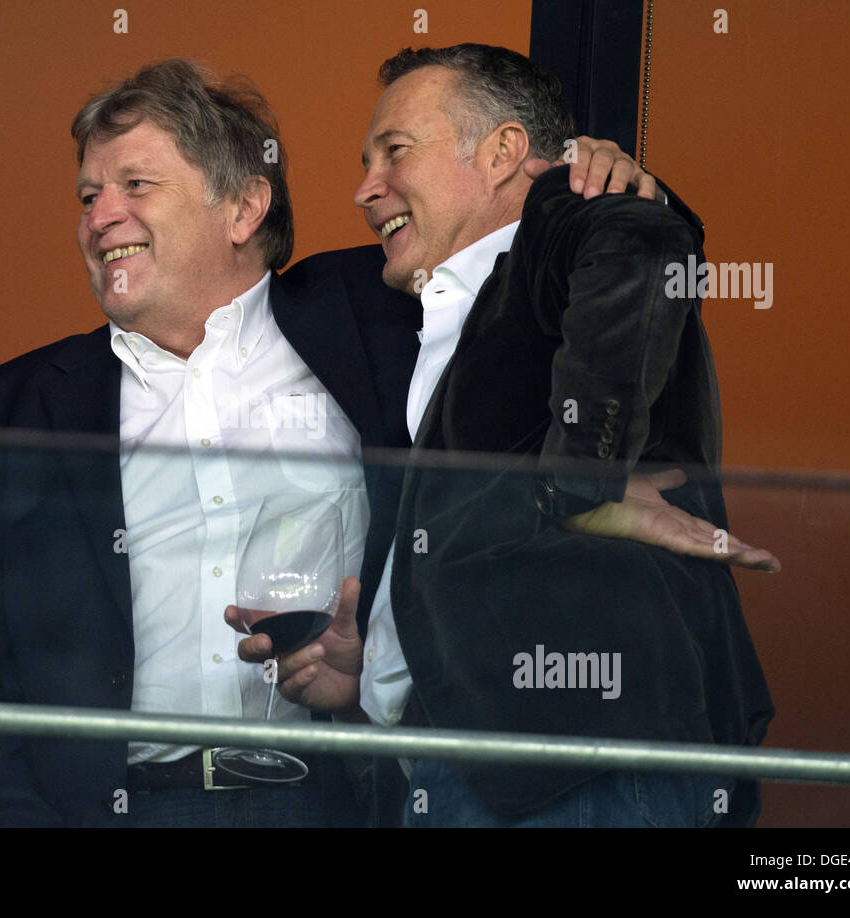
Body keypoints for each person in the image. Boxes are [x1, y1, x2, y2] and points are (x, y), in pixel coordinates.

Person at [0, 57, 695, 827]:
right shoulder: (7, 411)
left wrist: (587, 177)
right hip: (104, 810)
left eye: (135, 185)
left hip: (340, 801)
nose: (101, 215)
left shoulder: (384, 310)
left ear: (245, 208)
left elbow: (536, 241)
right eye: (88, 195)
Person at [231, 44, 776, 828]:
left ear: (502, 153)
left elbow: (643, 246)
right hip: (469, 768)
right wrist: (376, 668)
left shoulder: (567, 220)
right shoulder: (451, 313)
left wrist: (576, 492)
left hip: (579, 760)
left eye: (395, 151)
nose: (365, 188)